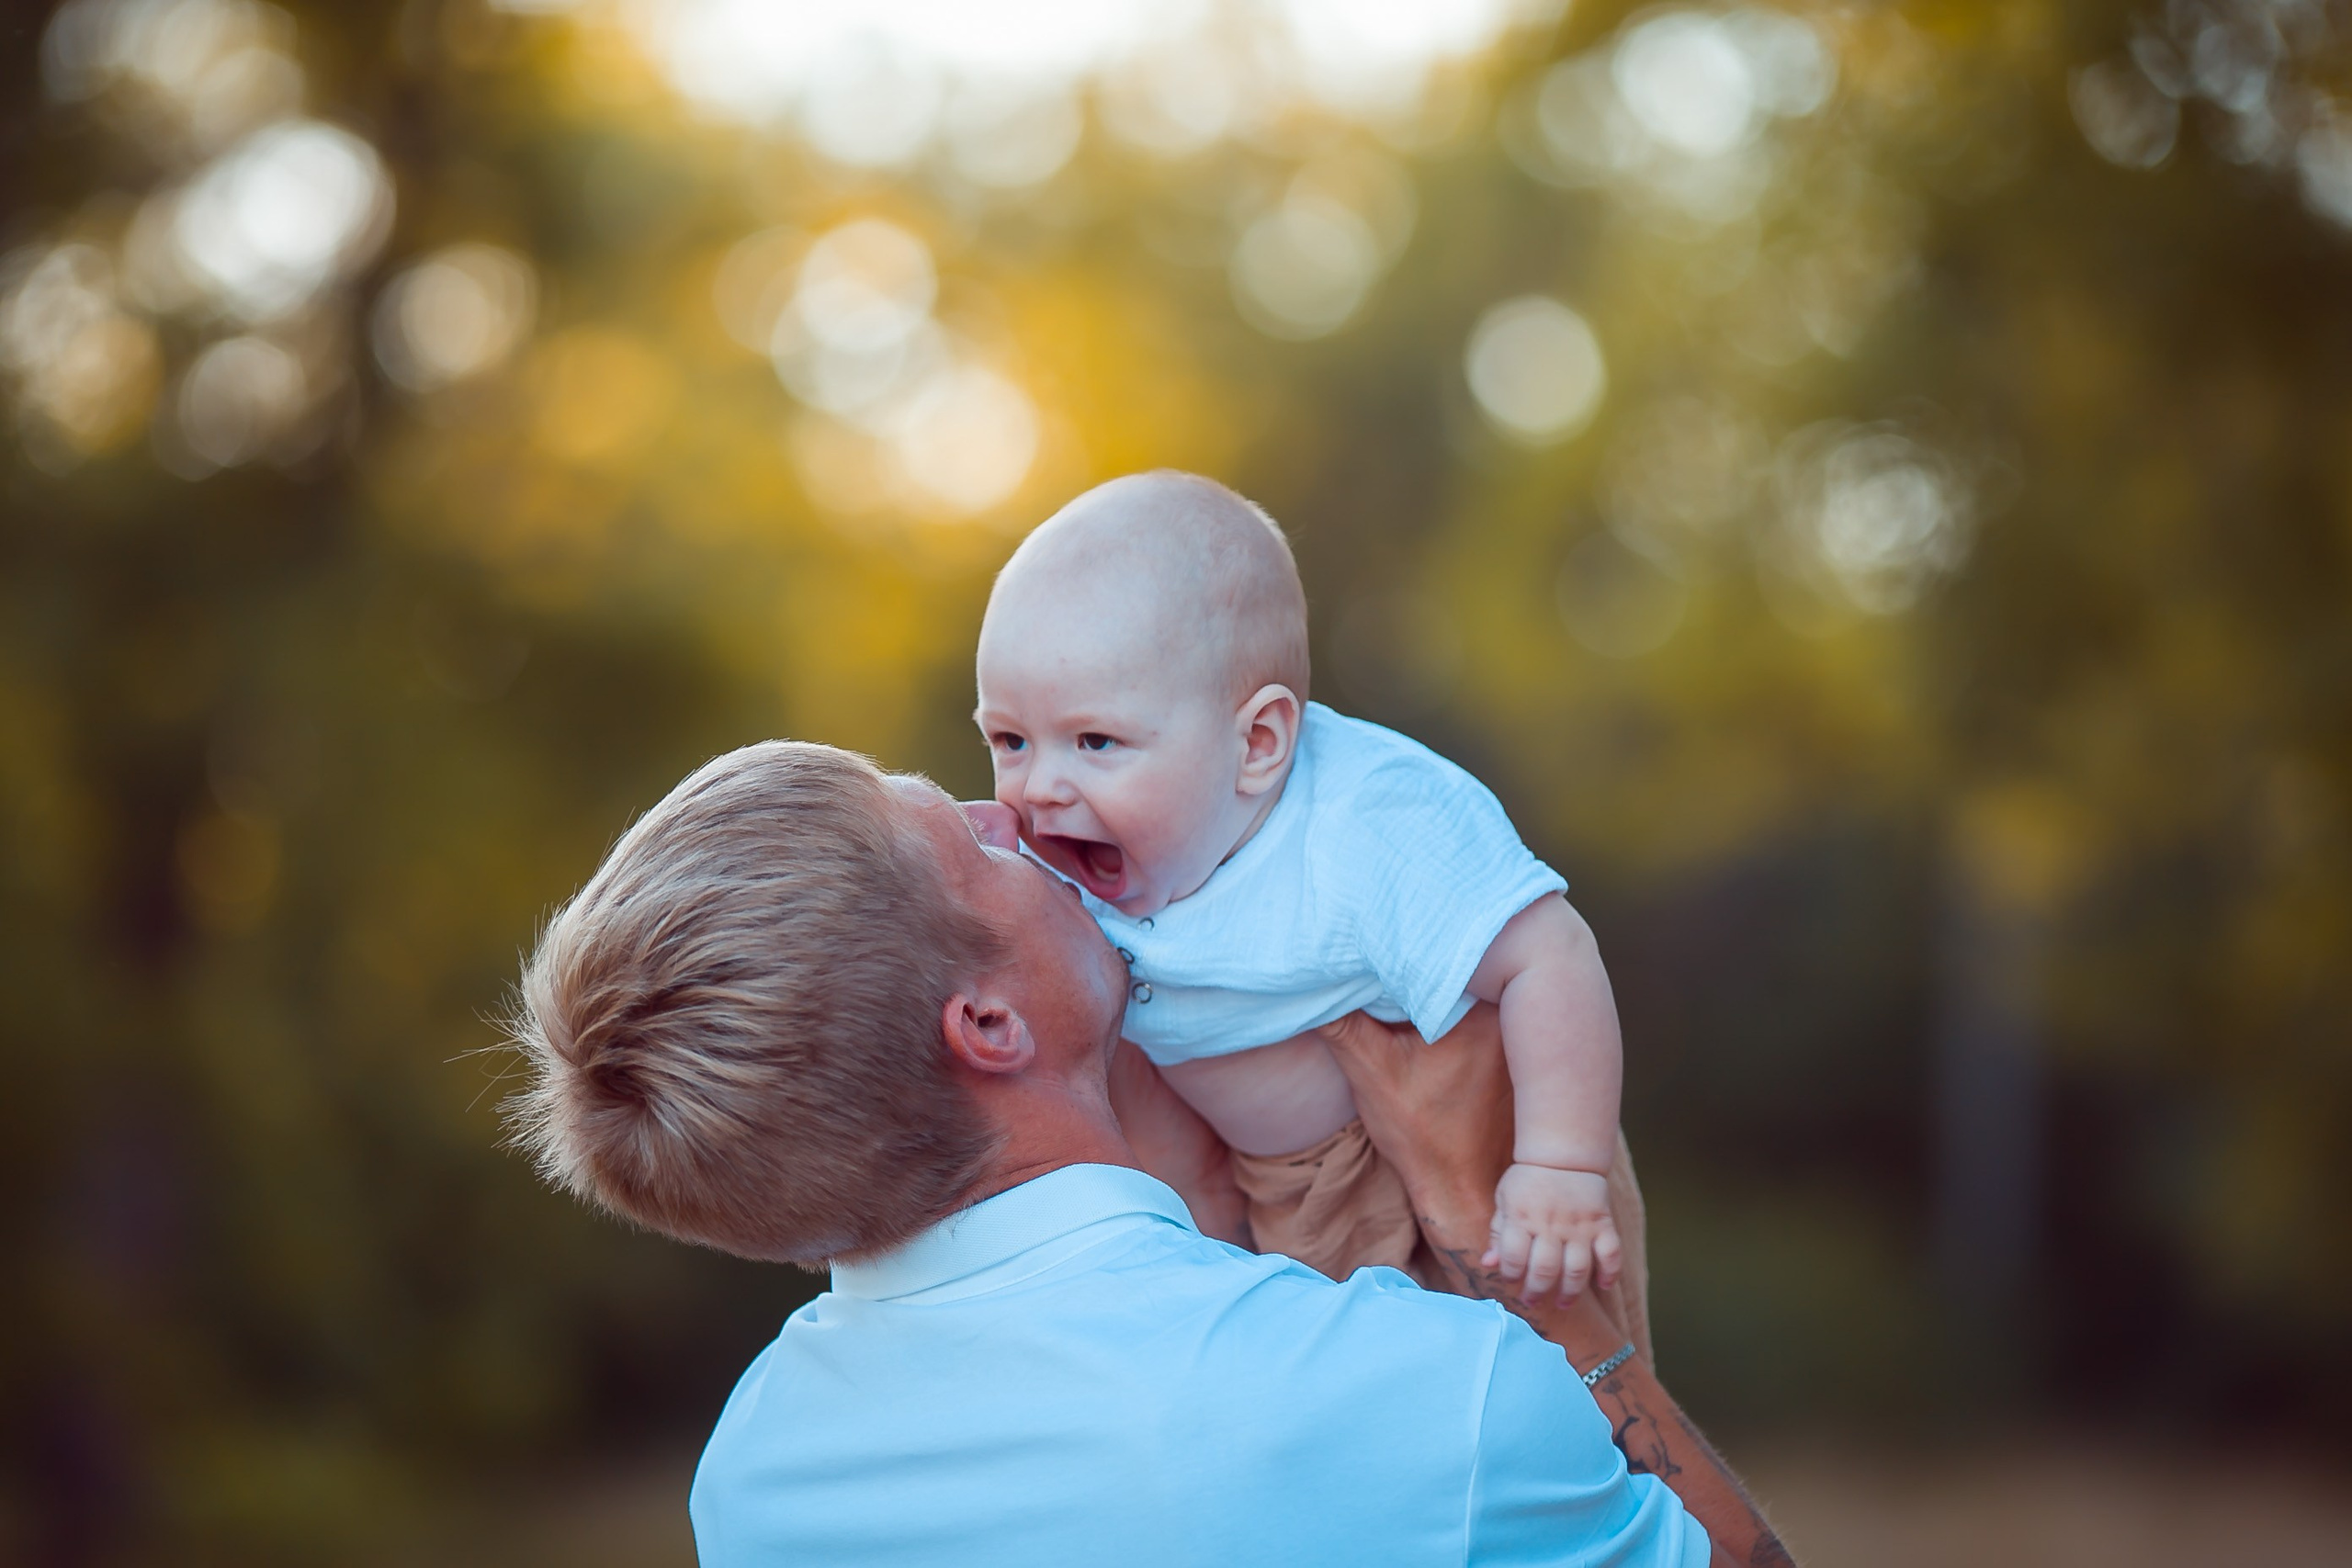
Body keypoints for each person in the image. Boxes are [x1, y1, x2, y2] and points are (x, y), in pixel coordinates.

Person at [505, 740, 1792, 1565]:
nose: (1009, 807)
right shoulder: (1427, 1391)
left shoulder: (755, 1472)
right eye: (964, 839)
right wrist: (1534, 1289)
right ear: (989, 1022)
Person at [975, 470, 1636, 1316]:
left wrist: (1559, 1166)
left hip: (1473, 1166)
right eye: (1010, 738)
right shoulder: (1060, 867)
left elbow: (1550, 952)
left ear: (1257, 742)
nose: (1039, 788)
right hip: (1278, 1203)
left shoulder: (1366, 822)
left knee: (1556, 1407)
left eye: (1095, 740)